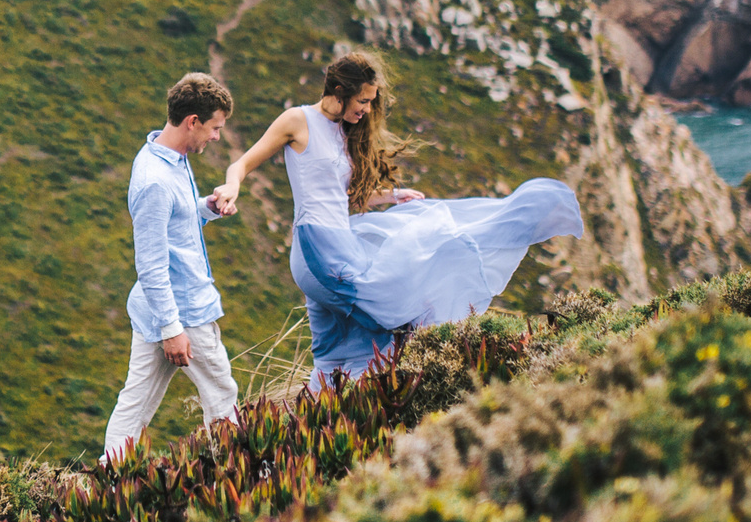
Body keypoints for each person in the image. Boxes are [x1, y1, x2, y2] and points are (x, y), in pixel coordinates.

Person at [212, 50, 583, 388]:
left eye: (372, 102)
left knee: (333, 349)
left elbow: (337, 197)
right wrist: (231, 188)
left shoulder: (343, 134)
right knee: (392, 318)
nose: (368, 110)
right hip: (319, 251)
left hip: (341, 243)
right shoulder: (298, 119)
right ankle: (392, 403)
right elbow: (242, 163)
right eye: (363, 100)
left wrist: (388, 197)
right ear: (339, 90)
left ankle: (315, 421)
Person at [102, 71, 243, 461]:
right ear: (192, 122)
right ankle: (246, 476)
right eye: (214, 128)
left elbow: (175, 226)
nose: (216, 137)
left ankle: (109, 481)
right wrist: (172, 329)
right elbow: (150, 264)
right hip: (181, 312)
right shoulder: (155, 181)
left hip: (160, 310)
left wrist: (206, 209)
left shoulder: (170, 157)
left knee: (135, 403)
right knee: (222, 395)